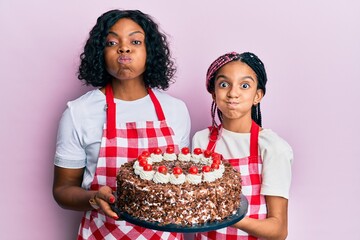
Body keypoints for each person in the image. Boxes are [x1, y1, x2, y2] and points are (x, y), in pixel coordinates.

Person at [52, 9, 191, 240]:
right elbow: (62, 190)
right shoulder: (79, 112)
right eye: (112, 42)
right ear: (100, 52)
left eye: (135, 41)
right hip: (102, 233)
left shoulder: (175, 110)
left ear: (150, 52)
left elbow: (182, 180)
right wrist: (93, 198)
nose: (124, 48)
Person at [192, 52, 293, 240]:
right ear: (213, 93)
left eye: (244, 85)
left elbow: (279, 230)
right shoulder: (201, 140)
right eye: (224, 84)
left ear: (257, 96)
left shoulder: (272, 147)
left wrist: (229, 216)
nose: (232, 93)